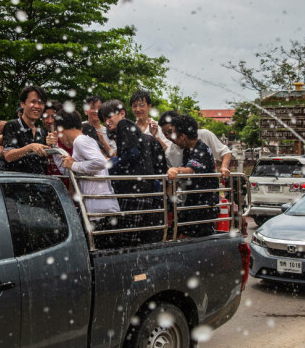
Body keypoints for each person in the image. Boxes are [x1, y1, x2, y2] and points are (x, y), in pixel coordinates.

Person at [99, 98, 161, 243]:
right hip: (142, 190)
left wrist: (111, 165)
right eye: (104, 119)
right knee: (135, 239)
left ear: (121, 113)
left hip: (135, 192)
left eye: (109, 116)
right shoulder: (130, 128)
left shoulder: (124, 124)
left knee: (126, 240)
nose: (106, 122)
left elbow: (132, 154)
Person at [53, 110, 120, 235]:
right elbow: (66, 170)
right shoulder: (83, 140)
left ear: (61, 129)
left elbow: (100, 162)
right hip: (99, 209)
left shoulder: (80, 141)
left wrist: (74, 164)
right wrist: (56, 151)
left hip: (100, 210)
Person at [166, 114, 218, 237]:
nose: (174, 140)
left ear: (183, 136)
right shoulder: (189, 149)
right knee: (179, 233)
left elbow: (190, 170)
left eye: (175, 136)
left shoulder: (201, 149)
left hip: (203, 204)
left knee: (189, 238)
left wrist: (176, 171)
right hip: (192, 201)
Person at [158, 110, 234, 178]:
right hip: (187, 191)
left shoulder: (202, 142)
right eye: (165, 134)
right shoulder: (170, 153)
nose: (169, 136)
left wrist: (224, 167)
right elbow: (176, 181)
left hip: (206, 190)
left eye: (171, 131)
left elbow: (225, 152)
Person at [1, 85, 50, 174]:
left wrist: (51, 145)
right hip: (17, 182)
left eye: (41, 103)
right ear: (22, 104)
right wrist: (30, 147)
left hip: (40, 184)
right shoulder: (12, 125)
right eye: (33, 102)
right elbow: (8, 155)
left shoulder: (42, 131)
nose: (37, 106)